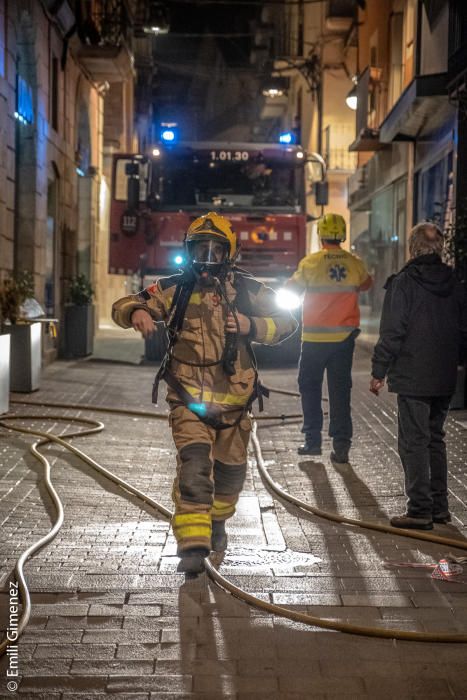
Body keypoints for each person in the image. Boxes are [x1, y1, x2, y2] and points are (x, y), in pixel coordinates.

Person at [112, 212, 297, 573]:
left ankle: (217, 525)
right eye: (200, 249)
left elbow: (289, 320)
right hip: (188, 399)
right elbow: (125, 304)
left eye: (216, 250)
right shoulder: (174, 288)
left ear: (231, 253)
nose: (207, 258)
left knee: (231, 476)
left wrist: (251, 324)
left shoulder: (248, 290)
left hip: (235, 404)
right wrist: (137, 312)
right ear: (188, 250)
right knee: (194, 467)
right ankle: (192, 548)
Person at [370, 222, 467, 530]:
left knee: (414, 441)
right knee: (435, 439)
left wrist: (378, 371)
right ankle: (439, 508)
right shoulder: (455, 281)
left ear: (411, 248)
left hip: (413, 374)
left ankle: (419, 510)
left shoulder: (404, 283)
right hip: (444, 374)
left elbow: (393, 332)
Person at [286, 213, 372, 462]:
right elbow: (367, 284)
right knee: (340, 391)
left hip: (314, 340)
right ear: (342, 234)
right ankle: (341, 446)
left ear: (321, 234)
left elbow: (292, 287)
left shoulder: (311, 262)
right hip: (343, 341)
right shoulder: (353, 262)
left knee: (310, 388)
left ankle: (312, 441)